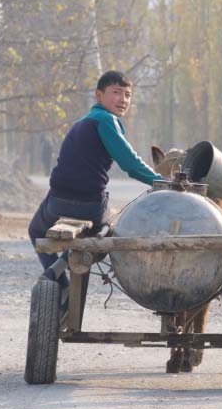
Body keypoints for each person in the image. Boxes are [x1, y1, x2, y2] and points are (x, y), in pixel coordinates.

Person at [28, 70, 162, 273]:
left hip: (56, 203)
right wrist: (161, 181)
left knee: (35, 229)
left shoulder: (80, 122)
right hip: (89, 206)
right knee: (110, 226)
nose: (123, 100)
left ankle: (56, 275)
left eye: (127, 95)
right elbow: (131, 164)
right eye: (116, 92)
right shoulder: (106, 121)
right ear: (99, 95)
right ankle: (63, 264)